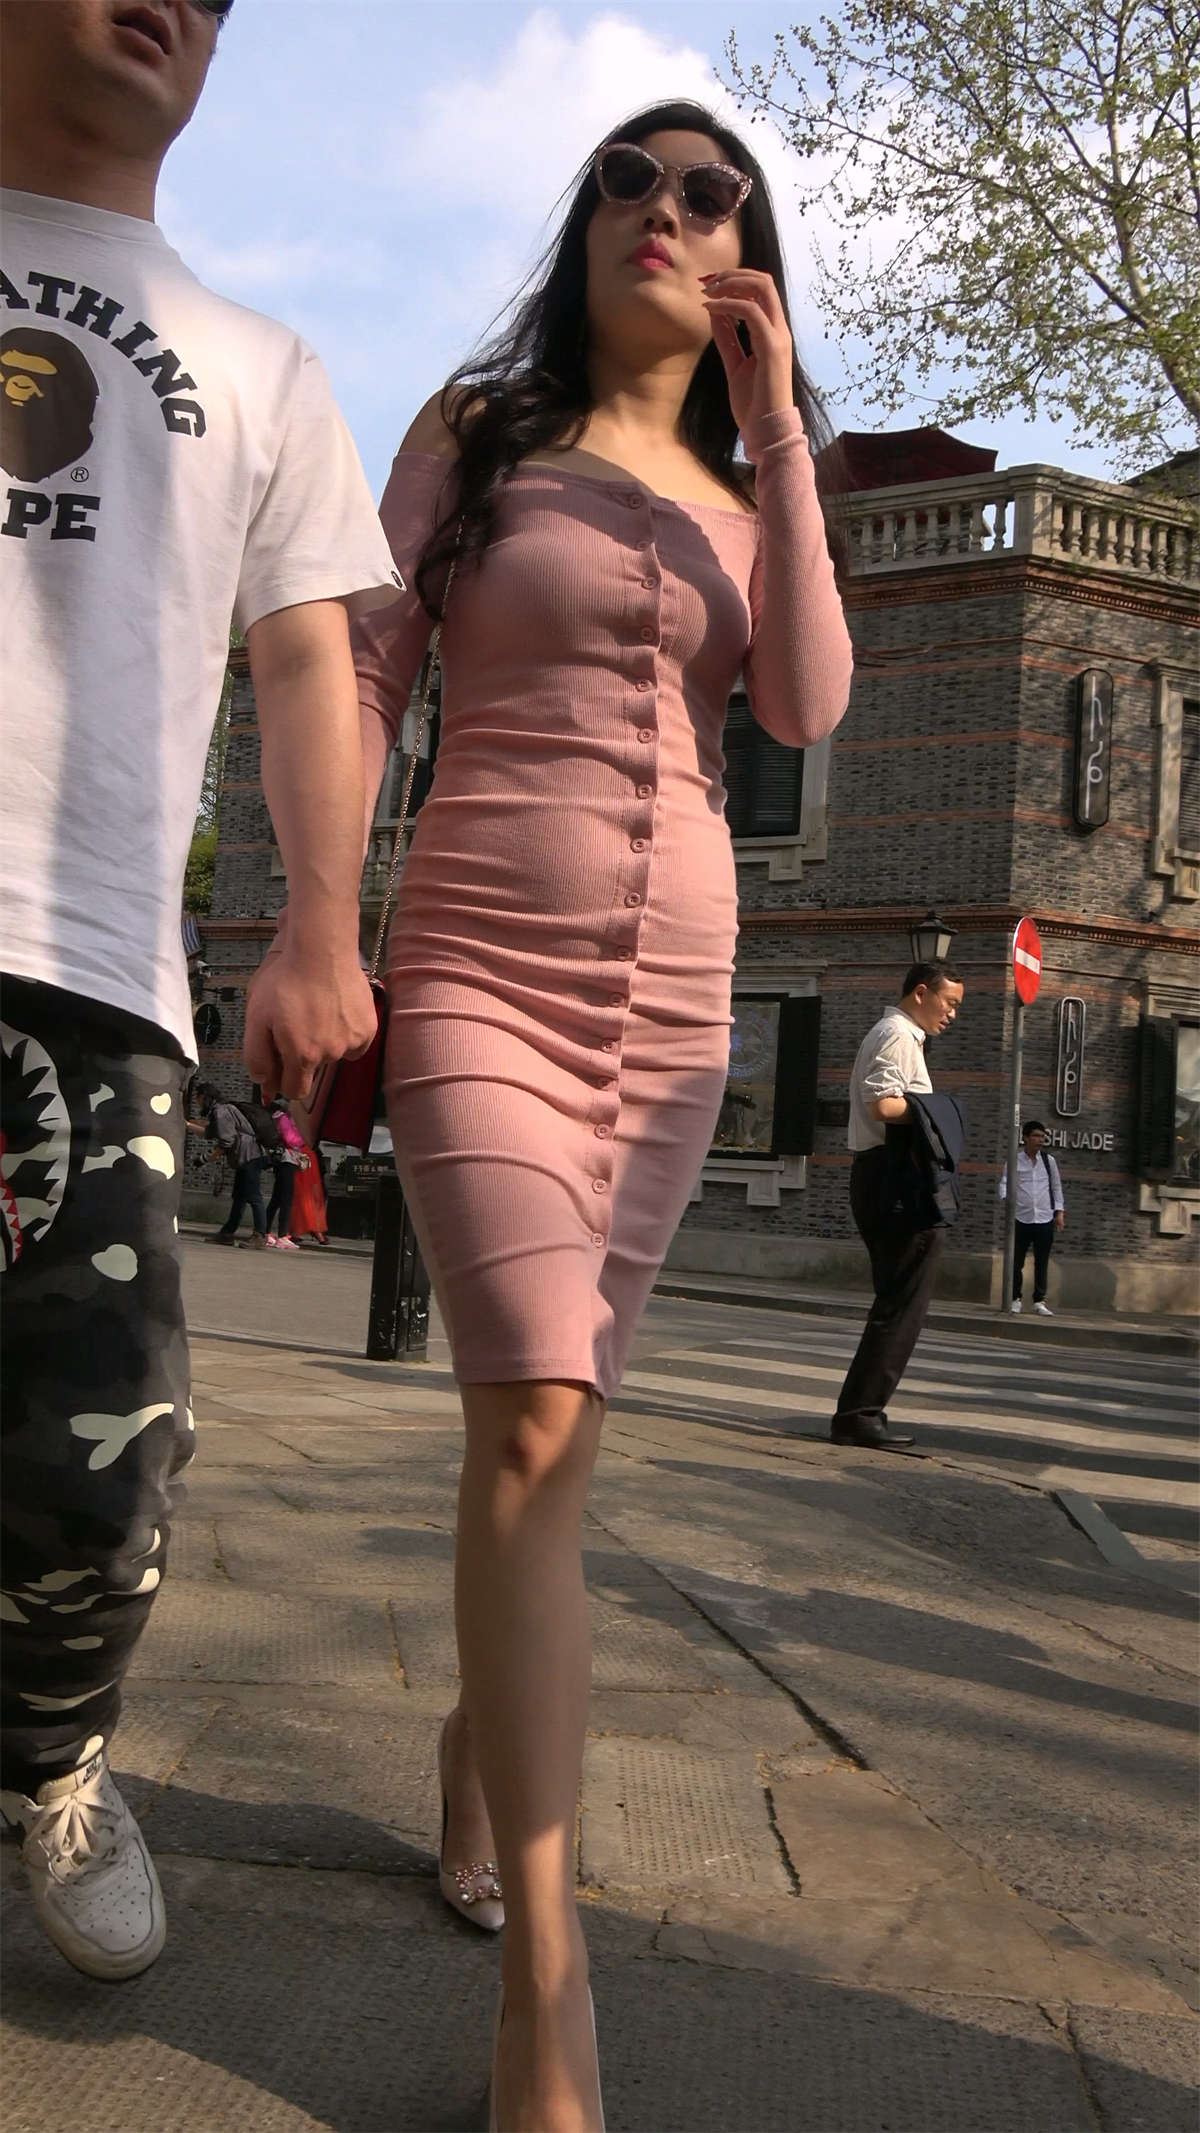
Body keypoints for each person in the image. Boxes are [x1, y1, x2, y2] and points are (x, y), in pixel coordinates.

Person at [352, 101, 853, 2133]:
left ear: (749, 258)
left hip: (671, 1014)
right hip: (480, 957)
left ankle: (484, 1751)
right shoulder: (480, 433)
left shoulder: (747, 493)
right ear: (583, 230)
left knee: (555, 1439)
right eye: (629, 182)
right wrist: (309, 924)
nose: (665, 209)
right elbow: (362, 670)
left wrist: (781, 429)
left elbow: (804, 702)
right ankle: (546, 2002)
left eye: (710, 194)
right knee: (536, 1418)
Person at [0, 0, 397, 1983]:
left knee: (104, 1451)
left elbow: (312, 659)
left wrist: (321, 925)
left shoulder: (260, 362)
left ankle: (51, 1751)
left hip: (96, 976)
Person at [831, 960, 966, 1452]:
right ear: (921, 993)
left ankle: (859, 1414)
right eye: (949, 1003)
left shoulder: (899, 1034)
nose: (952, 1014)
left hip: (884, 1178)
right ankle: (859, 1416)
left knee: (897, 1301)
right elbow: (883, 1104)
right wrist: (938, 1109)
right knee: (902, 1305)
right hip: (895, 1181)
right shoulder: (897, 1035)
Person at [999, 1119, 1065, 1315]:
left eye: (1042, 1136)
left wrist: (1059, 1212)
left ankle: (1039, 1301)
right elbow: (1004, 1183)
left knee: (1041, 1262)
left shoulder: (1049, 1161)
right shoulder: (1014, 1160)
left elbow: (1056, 1187)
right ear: (1025, 1138)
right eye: (1036, 1136)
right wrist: (1007, 1201)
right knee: (1016, 1261)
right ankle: (1015, 1299)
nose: (1040, 1140)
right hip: (1021, 1218)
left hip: (1044, 1218)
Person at [202, 1084, 272, 1249]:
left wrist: (206, 1158)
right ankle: (227, 1233)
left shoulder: (221, 1111)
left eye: (198, 1098)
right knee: (239, 1197)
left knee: (254, 1197)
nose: (197, 1103)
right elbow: (210, 1133)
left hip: (249, 1157)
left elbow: (226, 1140)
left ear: (204, 1097)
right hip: (247, 1156)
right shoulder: (223, 1110)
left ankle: (260, 1235)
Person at [264, 1097, 307, 1249]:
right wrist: (303, 1138)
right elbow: (291, 1140)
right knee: (286, 1199)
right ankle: (282, 1235)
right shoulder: (283, 1118)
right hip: (286, 1160)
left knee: (277, 1198)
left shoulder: (281, 1118)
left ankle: (265, 1232)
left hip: (286, 1160)